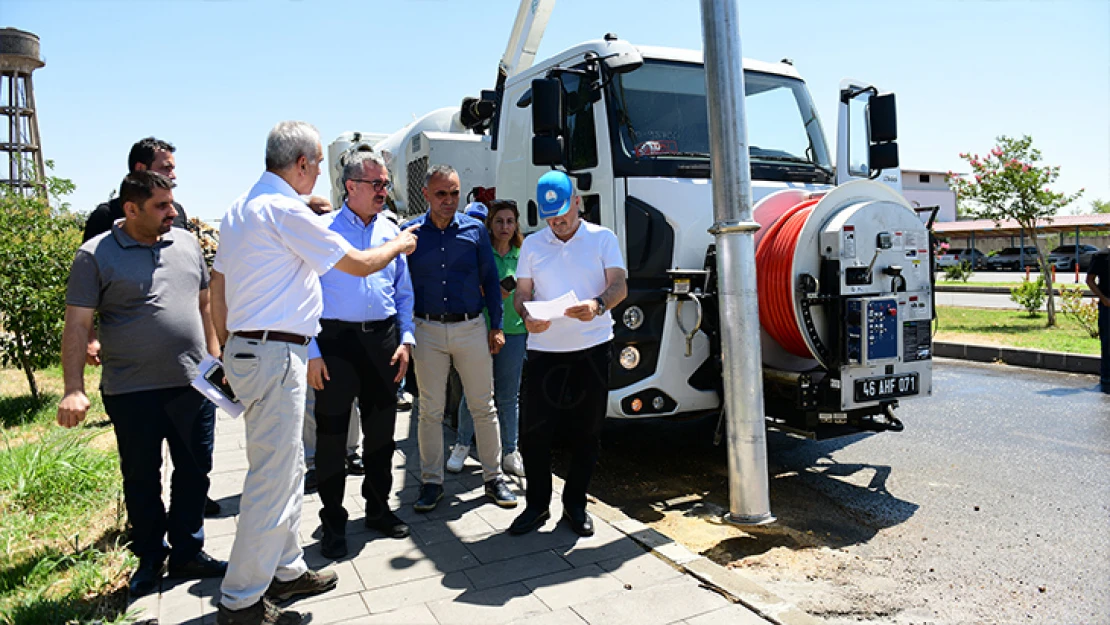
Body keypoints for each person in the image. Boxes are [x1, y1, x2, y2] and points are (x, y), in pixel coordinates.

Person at [210, 121, 417, 625]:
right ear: (301, 163)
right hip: (277, 354)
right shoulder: (285, 211)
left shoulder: (241, 208)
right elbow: (364, 263)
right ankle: (241, 600)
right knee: (272, 480)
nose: (320, 172)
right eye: (319, 163)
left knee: (280, 473)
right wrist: (400, 245)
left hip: (252, 350)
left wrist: (227, 351)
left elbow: (217, 286)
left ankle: (286, 569)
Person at [57, 171, 226, 596]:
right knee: (141, 478)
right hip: (131, 391)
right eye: (161, 206)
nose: (172, 212)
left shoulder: (185, 243)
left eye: (172, 203)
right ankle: (151, 557)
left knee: (195, 471)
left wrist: (215, 357)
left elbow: (204, 302)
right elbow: (78, 325)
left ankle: (188, 551)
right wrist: (73, 388)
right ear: (131, 209)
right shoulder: (95, 255)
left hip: (192, 385)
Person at [308, 151, 416, 558]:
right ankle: (333, 519)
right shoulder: (323, 231)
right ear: (350, 186)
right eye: (377, 184)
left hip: (383, 342)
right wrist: (313, 351)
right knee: (333, 437)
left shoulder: (393, 230)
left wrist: (406, 339)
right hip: (335, 342)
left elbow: (404, 291)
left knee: (382, 434)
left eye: (386, 184)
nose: (384, 192)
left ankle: (377, 507)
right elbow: (306, 296)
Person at [509, 171, 627, 537]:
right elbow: (521, 293)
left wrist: (598, 304)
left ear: (577, 202)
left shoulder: (602, 238)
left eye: (562, 216)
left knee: (586, 432)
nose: (558, 224)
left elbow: (620, 285)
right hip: (545, 352)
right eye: (551, 219)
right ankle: (536, 505)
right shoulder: (532, 245)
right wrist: (526, 314)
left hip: (591, 349)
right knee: (534, 433)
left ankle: (575, 504)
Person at [405, 164, 517, 512]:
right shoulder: (410, 236)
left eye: (454, 193)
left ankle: (493, 477)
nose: (449, 200)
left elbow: (491, 280)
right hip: (427, 331)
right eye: (441, 194)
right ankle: (431, 482)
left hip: (471, 328)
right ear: (426, 194)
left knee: (483, 405)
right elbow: (399, 288)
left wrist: (496, 326)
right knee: (430, 410)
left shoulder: (474, 231)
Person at [447, 200, 527, 477]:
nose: (505, 227)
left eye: (510, 221)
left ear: (516, 224)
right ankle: (461, 445)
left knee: (508, 396)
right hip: (480, 328)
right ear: (489, 224)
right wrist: (491, 295)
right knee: (476, 393)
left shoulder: (524, 254)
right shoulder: (480, 253)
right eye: (499, 221)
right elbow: (464, 292)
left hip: (514, 331)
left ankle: (510, 451)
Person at [83, 137, 190, 242]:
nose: (172, 176)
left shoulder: (177, 213)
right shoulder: (106, 216)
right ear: (140, 168)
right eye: (166, 168)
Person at [1086, 246, 1109, 393]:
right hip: (1108, 307)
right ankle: (1107, 378)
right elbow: (1090, 280)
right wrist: (1104, 299)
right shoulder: (1101, 256)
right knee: (1108, 343)